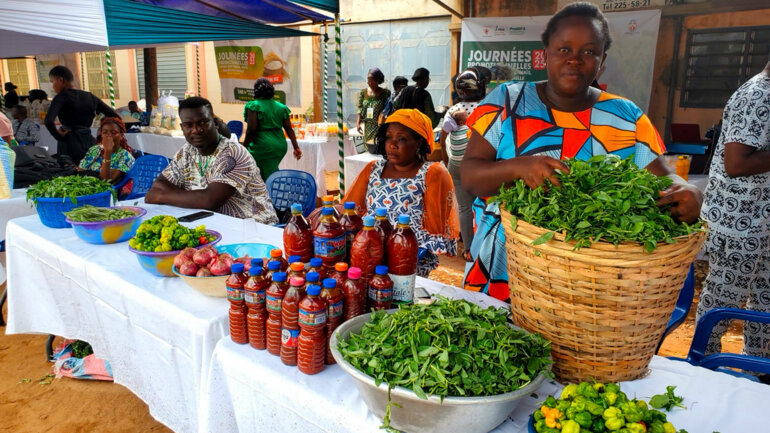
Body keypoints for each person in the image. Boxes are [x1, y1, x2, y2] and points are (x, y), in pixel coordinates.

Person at [459, 2, 703, 300]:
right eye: (564, 49)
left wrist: (689, 191)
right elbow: (470, 176)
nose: (575, 60)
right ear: (545, 53)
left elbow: (665, 181)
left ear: (601, 62)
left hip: (589, 287)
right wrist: (518, 167)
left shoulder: (627, 117)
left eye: (589, 51)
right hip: (503, 270)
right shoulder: (507, 101)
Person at [697, 55, 770, 361]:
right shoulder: (757, 95)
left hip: (761, 223)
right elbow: (736, 163)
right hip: (737, 224)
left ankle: (758, 369)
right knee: (720, 306)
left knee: (764, 305)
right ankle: (700, 364)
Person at [344, 108, 460, 277]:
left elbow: (435, 229)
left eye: (402, 139)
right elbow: (351, 209)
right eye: (389, 137)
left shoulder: (432, 173)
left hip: (410, 260)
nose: (392, 144)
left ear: (419, 142)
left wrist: (404, 251)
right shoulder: (373, 169)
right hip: (370, 254)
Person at [146, 97, 278, 224]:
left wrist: (161, 196)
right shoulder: (186, 151)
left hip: (255, 228)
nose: (196, 130)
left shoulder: (233, 153)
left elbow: (209, 200)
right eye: (188, 125)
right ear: (182, 127)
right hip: (212, 222)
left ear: (215, 123)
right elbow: (159, 185)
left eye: (203, 122)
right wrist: (190, 197)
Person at [45, 66, 118, 165]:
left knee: (70, 175)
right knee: (91, 171)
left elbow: (48, 121)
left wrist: (59, 137)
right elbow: (115, 116)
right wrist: (103, 134)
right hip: (88, 140)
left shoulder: (61, 98)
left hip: (69, 142)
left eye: (52, 81)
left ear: (61, 80)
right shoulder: (90, 96)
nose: (53, 86)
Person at [241, 78, 302, 181]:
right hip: (280, 144)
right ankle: (272, 190)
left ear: (256, 90)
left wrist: (244, 147)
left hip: (263, 145)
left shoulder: (254, 106)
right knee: (268, 170)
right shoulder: (281, 107)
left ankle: (268, 192)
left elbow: (251, 129)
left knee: (260, 172)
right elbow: (289, 128)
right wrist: (296, 147)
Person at [77, 117, 135, 182]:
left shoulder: (125, 156)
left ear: (121, 135)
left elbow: (106, 180)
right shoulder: (94, 150)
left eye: (113, 133)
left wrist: (107, 152)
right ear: (101, 134)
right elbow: (80, 171)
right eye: (105, 132)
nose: (109, 135)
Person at [356, 67, 391, 143]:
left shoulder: (385, 93)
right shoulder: (363, 92)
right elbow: (360, 108)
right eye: (369, 81)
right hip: (367, 126)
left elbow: (388, 110)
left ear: (378, 81)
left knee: (377, 147)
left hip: (379, 126)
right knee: (368, 148)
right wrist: (358, 122)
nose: (370, 84)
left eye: (373, 81)